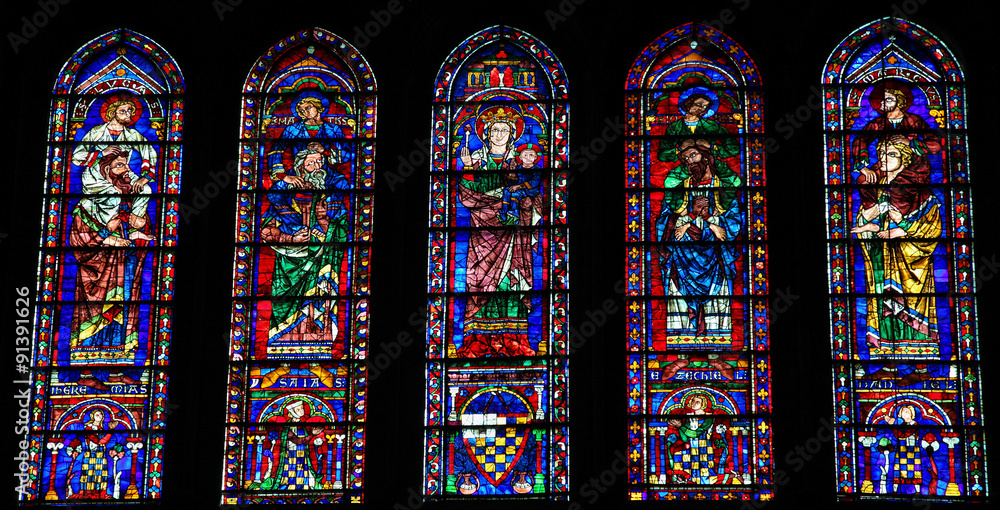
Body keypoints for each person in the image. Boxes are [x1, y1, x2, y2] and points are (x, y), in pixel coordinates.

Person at [851, 139, 940, 384]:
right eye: (881, 154)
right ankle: (889, 365)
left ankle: (921, 368)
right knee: (885, 310)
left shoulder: (920, 192)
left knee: (912, 312)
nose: (883, 159)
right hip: (882, 260)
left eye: (891, 154)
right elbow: (868, 220)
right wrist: (868, 226)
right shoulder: (877, 189)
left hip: (911, 264)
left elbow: (931, 226)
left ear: (904, 159)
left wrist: (901, 232)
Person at [260, 143, 350, 383]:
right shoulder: (282, 200)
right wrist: (291, 238)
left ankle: (318, 362)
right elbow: (266, 231)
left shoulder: (329, 200)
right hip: (288, 266)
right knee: (286, 312)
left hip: (321, 264)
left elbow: (342, 230)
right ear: (299, 169)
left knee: (319, 313)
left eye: (320, 162)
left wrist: (324, 225)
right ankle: (281, 363)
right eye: (311, 163)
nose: (317, 167)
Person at [66, 146, 152, 391]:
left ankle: (116, 369)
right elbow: (79, 242)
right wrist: (107, 237)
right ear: (104, 171)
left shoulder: (127, 201)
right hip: (96, 272)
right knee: (93, 318)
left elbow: (132, 229)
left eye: (126, 165)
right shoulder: (87, 205)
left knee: (120, 315)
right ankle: (85, 371)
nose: (125, 170)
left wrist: (140, 234)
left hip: (123, 269)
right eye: (118, 166)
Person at [455, 107, 537, 357]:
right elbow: (467, 198)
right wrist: (468, 169)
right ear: (486, 134)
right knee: (479, 284)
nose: (499, 134)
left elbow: (534, 198)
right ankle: (477, 342)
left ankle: (515, 341)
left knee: (511, 284)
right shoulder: (477, 164)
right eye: (495, 130)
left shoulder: (519, 165)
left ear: (512, 136)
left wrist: (521, 202)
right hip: (482, 235)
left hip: (513, 236)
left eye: (504, 130)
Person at [654, 140, 741, 341]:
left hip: (715, 256)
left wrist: (711, 220)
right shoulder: (680, 189)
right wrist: (681, 222)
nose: (689, 161)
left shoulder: (724, 187)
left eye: (693, 155)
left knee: (718, 299)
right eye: (685, 158)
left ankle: (716, 351)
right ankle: (680, 351)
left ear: (706, 156)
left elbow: (733, 222)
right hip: (683, 255)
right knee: (678, 298)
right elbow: (665, 219)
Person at [851, 84, 941, 178]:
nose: (883, 103)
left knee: (903, 188)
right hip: (886, 163)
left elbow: (936, 144)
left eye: (888, 99)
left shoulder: (914, 120)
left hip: (913, 165)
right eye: (883, 99)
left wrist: (910, 143)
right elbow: (860, 140)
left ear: (899, 101)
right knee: (863, 182)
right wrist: (863, 168)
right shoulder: (877, 123)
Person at [72, 93, 156, 194]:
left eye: (129, 110)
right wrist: (101, 153)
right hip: (97, 177)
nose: (128, 114)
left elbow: (150, 152)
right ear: (112, 114)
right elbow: (77, 156)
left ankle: (132, 211)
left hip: (123, 174)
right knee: (112, 194)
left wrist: (144, 179)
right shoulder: (96, 132)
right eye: (123, 111)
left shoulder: (133, 134)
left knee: (146, 191)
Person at [268, 91, 351, 185]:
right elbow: (276, 150)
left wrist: (324, 151)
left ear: (318, 107)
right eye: (302, 111)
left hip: (325, 175)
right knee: (275, 191)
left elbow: (347, 154)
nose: (306, 113)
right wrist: (284, 176)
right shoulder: (292, 129)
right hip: (297, 174)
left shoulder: (333, 129)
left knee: (343, 184)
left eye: (308, 108)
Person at [256, 399, 328, 491]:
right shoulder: (288, 427)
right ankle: (288, 487)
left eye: (302, 408)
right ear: (292, 412)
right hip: (290, 455)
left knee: (303, 470)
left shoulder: (303, 426)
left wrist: (313, 436)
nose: (301, 411)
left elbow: (305, 442)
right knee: (290, 472)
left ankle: (304, 487)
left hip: (302, 455)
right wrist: (313, 434)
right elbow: (298, 441)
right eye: (298, 409)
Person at [656, 92, 739, 164]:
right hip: (684, 168)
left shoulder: (711, 126)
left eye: (705, 106)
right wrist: (680, 149)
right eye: (698, 104)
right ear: (689, 103)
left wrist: (711, 147)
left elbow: (734, 149)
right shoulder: (674, 127)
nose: (701, 108)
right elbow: (662, 156)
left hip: (712, 166)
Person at [496, 143, 543, 225]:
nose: (528, 157)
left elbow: (534, 182)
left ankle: (515, 212)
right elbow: (512, 183)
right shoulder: (518, 168)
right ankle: (504, 212)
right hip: (519, 188)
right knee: (507, 190)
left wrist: (518, 186)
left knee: (515, 194)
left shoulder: (537, 169)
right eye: (525, 155)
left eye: (531, 155)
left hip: (531, 191)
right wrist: (512, 173)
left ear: (535, 157)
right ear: (520, 157)